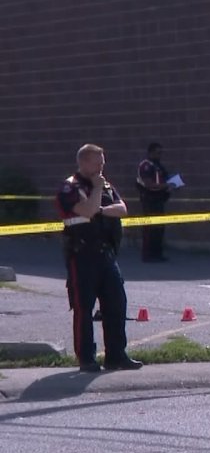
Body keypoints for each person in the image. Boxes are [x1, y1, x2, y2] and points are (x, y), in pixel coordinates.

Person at [56, 144, 143, 372]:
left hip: (107, 254)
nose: (102, 166)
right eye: (97, 162)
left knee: (116, 304)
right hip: (82, 255)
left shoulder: (104, 184)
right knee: (83, 308)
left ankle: (116, 356)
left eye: (103, 162)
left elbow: (122, 209)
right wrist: (96, 193)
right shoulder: (69, 187)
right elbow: (86, 210)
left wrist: (100, 208)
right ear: (84, 162)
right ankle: (86, 358)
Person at [136, 141, 172, 262]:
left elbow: (165, 179)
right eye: (157, 153)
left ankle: (157, 254)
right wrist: (165, 185)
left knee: (159, 228)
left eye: (161, 153)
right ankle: (147, 255)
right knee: (150, 228)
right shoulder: (146, 165)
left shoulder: (159, 166)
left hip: (159, 200)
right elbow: (149, 184)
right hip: (149, 200)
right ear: (150, 152)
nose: (160, 155)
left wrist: (171, 185)